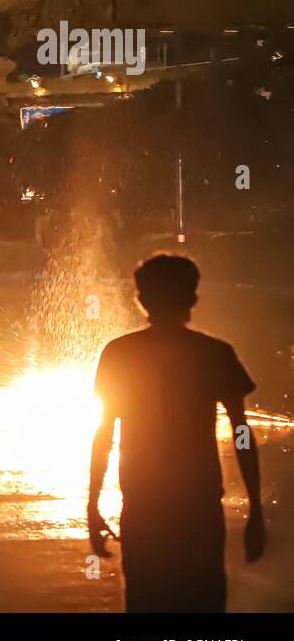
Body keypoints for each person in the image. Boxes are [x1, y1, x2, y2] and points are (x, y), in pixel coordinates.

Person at [88, 253, 265, 612]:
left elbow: (104, 434)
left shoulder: (119, 354)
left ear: (141, 299)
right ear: (193, 298)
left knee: (147, 601)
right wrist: (256, 509)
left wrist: (92, 505)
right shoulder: (215, 354)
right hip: (198, 506)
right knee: (203, 601)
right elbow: (241, 433)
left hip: (143, 505)